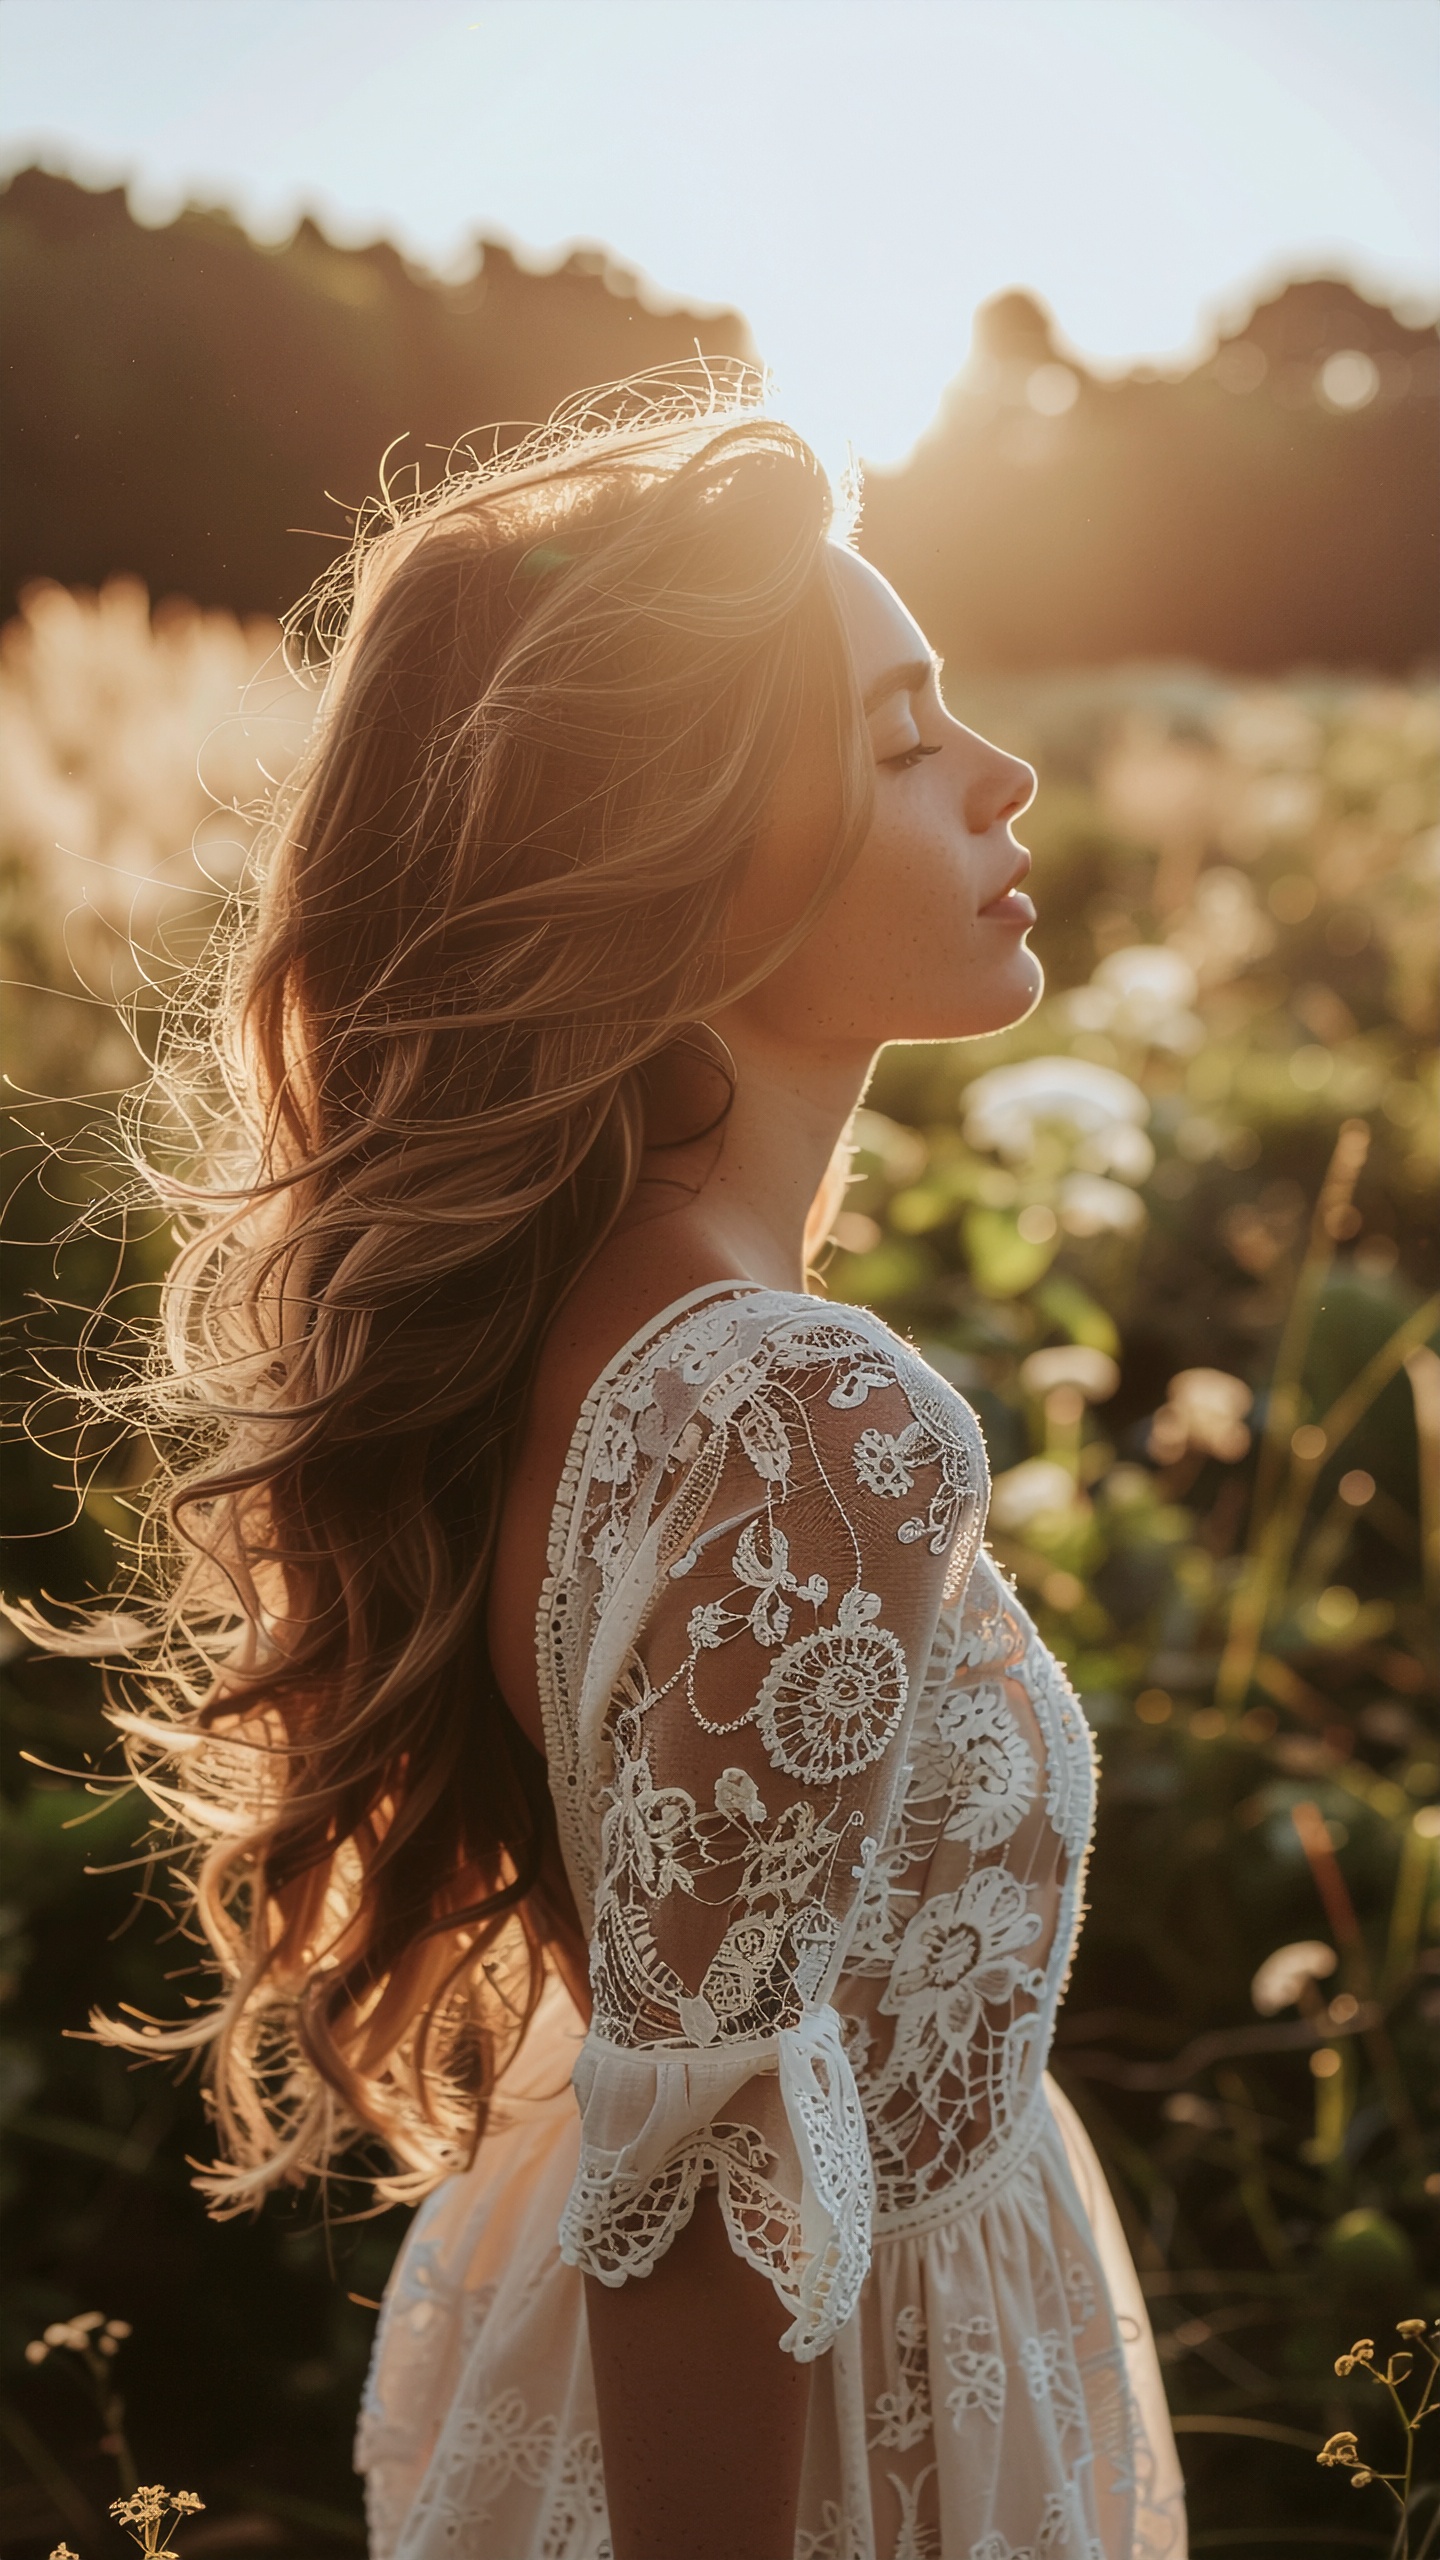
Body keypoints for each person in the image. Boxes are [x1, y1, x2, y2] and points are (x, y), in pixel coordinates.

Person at [34, 369, 1186, 2559]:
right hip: (832, 2451)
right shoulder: (793, 1414)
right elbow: (698, 2188)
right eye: (896, 738)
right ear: (678, 848)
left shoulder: (601, 1324)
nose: (1005, 775)